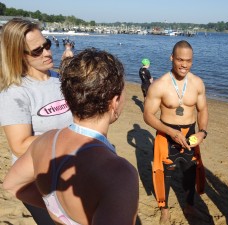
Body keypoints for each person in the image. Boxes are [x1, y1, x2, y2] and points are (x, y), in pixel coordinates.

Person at [3, 48, 139, 225]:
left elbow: (13, 185)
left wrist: (58, 212)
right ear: (114, 101)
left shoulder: (46, 140)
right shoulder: (119, 173)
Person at [0, 18, 73, 224]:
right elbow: (19, 146)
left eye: (47, 44)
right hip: (38, 182)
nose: (47, 53)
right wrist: (71, 138)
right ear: (19, 55)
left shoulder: (59, 80)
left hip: (68, 172)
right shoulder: (15, 93)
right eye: (37, 51)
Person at [143, 40, 208, 224]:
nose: (184, 64)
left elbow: (203, 109)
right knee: (164, 174)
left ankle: (189, 206)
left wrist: (203, 131)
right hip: (166, 134)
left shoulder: (197, 83)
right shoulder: (160, 85)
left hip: (191, 133)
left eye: (188, 60)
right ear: (172, 58)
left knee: (190, 172)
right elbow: (148, 115)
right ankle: (164, 210)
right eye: (180, 59)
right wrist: (171, 132)